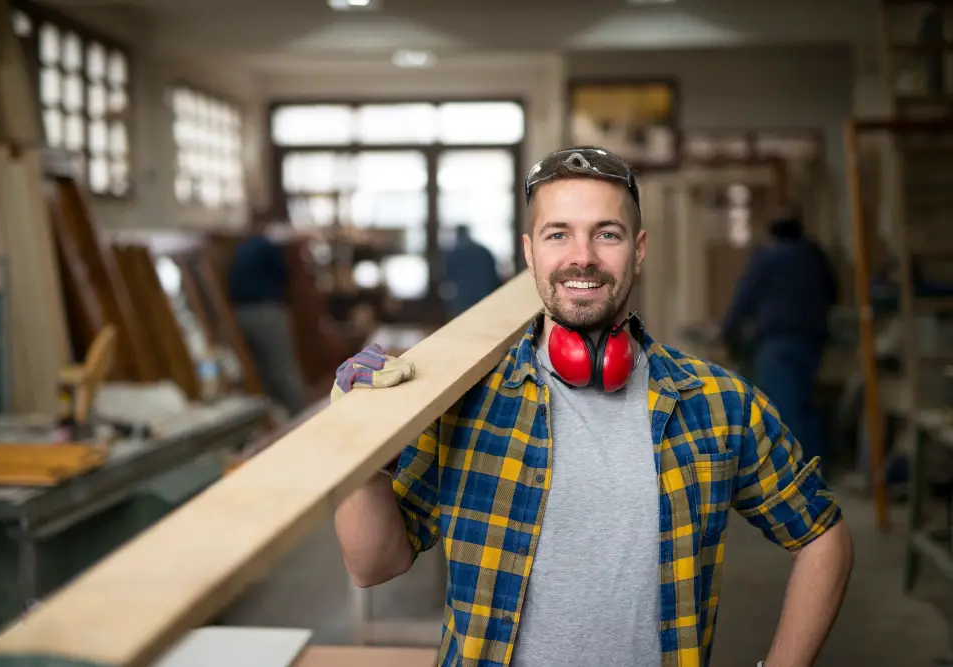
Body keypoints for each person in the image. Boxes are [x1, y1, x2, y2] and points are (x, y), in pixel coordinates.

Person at [333, 147, 853, 667]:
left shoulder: (718, 405)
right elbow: (373, 565)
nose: (582, 256)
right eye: (558, 234)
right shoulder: (466, 398)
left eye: (607, 233)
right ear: (529, 252)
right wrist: (365, 450)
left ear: (640, 249)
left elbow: (822, 535)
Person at [720, 209, 838, 463]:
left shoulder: (768, 257)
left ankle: (792, 469)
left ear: (772, 234)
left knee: (781, 408)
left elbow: (745, 297)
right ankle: (815, 465)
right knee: (805, 402)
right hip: (812, 342)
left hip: (777, 344)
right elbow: (833, 293)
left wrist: (727, 332)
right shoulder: (814, 256)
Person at [226, 223, 308, 416]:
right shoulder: (269, 246)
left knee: (260, 372)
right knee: (283, 369)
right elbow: (286, 275)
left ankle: (277, 418)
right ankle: (303, 418)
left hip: (239, 313)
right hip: (265, 311)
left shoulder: (242, 247)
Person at [439, 225, 503, 319]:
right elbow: (495, 277)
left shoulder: (454, 253)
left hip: (463, 298)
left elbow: (447, 279)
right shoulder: (484, 251)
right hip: (485, 295)